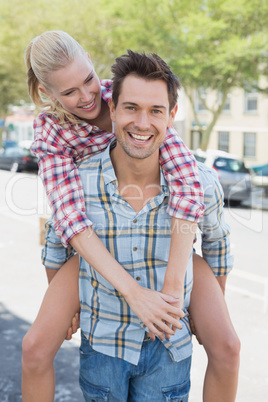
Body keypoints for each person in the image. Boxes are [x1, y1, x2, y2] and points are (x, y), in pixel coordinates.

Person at [21, 32, 240, 401]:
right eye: (70, 92)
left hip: (162, 229)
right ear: (48, 93)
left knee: (227, 346)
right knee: (35, 348)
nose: (87, 97)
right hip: (95, 232)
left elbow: (189, 188)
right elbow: (67, 221)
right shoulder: (52, 134)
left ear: (93, 64)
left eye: (88, 80)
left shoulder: (131, 95)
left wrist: (186, 296)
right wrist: (70, 300)